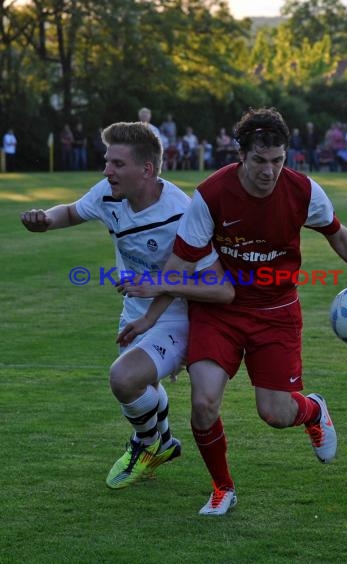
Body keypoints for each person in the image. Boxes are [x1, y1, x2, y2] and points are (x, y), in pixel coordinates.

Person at [121, 107, 347, 516]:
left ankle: (312, 409)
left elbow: (338, 234)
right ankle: (222, 488)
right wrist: (148, 319)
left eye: (278, 161)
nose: (270, 171)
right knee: (204, 402)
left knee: (276, 414)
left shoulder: (303, 191)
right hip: (219, 314)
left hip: (277, 312)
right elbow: (179, 268)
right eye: (260, 161)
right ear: (241, 155)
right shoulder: (211, 195)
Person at [20, 121, 233, 491]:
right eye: (107, 162)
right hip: (135, 314)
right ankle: (162, 442)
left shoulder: (182, 213)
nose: (107, 171)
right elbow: (71, 211)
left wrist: (156, 291)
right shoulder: (109, 194)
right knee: (133, 384)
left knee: (123, 378)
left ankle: (146, 444)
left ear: (146, 170)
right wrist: (45, 221)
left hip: (177, 319)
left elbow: (219, 286)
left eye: (117, 164)